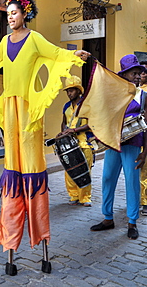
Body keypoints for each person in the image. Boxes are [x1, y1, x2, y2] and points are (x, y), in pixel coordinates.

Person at [0, 0, 90, 272]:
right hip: (9, 108)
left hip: (28, 109)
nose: (10, 18)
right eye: (7, 14)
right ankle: (12, 233)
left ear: (25, 14)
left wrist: (76, 54)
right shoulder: (3, 41)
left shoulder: (34, 39)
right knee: (12, 164)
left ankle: (40, 233)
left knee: (32, 164)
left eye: (14, 13)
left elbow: (57, 53)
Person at [90, 54, 147, 240]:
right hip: (113, 144)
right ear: (123, 75)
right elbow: (102, 117)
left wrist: (145, 152)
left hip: (133, 145)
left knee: (132, 183)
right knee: (107, 178)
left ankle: (132, 222)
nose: (138, 76)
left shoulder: (144, 95)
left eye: (139, 73)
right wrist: (77, 128)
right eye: (134, 73)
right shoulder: (113, 95)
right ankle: (108, 218)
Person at [59, 76, 93, 206]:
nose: (69, 93)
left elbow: (92, 124)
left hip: (85, 142)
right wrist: (63, 133)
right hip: (69, 144)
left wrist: (74, 130)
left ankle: (85, 198)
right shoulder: (66, 106)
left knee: (84, 170)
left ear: (79, 91)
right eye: (68, 91)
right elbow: (63, 122)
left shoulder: (87, 105)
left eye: (72, 90)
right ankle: (74, 196)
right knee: (69, 170)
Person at [139, 62, 147, 215]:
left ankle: (145, 201)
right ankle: (138, 199)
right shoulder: (134, 91)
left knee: (145, 170)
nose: (142, 75)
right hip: (136, 135)